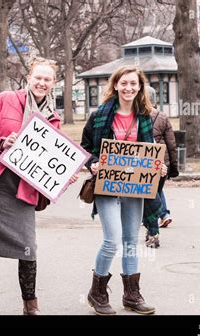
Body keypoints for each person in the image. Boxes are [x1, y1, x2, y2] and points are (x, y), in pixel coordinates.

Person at [0, 56, 78, 316]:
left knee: (28, 247)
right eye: (38, 77)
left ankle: (30, 305)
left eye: (47, 79)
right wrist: (0, 142)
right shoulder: (5, 100)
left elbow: (52, 160)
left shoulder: (53, 119)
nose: (42, 83)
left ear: (53, 83)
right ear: (29, 78)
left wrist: (64, 176)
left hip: (23, 190)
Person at [81, 65, 167, 316]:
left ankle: (131, 295)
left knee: (130, 242)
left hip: (135, 186)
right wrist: (92, 163)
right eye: (124, 83)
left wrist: (158, 168)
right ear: (116, 85)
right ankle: (97, 292)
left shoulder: (144, 117)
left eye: (134, 84)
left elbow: (149, 150)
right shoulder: (99, 114)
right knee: (112, 240)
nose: (129, 88)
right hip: (107, 185)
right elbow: (86, 147)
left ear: (140, 87)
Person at [142, 86, 179, 248]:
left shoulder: (137, 116)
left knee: (145, 196)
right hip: (161, 165)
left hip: (142, 165)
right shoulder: (163, 117)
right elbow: (171, 145)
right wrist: (174, 167)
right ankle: (159, 219)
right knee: (155, 193)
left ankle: (152, 227)